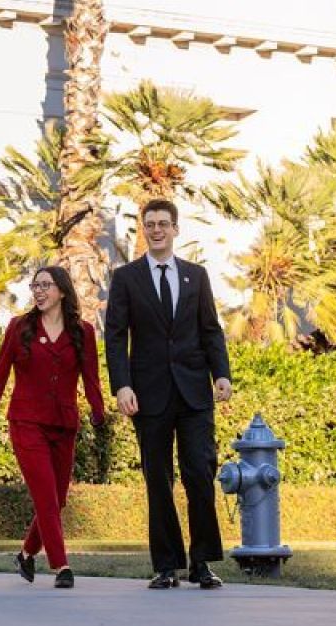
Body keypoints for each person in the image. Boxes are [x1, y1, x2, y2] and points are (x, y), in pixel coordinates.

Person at [104, 198, 233, 590]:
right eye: (150, 224)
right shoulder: (127, 278)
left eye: (163, 223)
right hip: (149, 394)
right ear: (143, 230)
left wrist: (222, 375)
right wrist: (122, 385)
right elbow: (115, 335)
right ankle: (166, 565)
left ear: (176, 228)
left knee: (199, 474)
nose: (157, 230)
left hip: (194, 394)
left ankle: (202, 563)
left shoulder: (197, 275)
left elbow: (211, 330)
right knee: (157, 479)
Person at [0, 266, 106, 589]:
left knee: (57, 500)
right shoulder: (20, 328)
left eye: (46, 285)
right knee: (46, 497)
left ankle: (26, 553)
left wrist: (100, 415)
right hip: (26, 423)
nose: (39, 291)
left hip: (64, 425)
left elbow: (91, 379)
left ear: (62, 290)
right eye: (35, 286)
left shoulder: (83, 331)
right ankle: (61, 565)